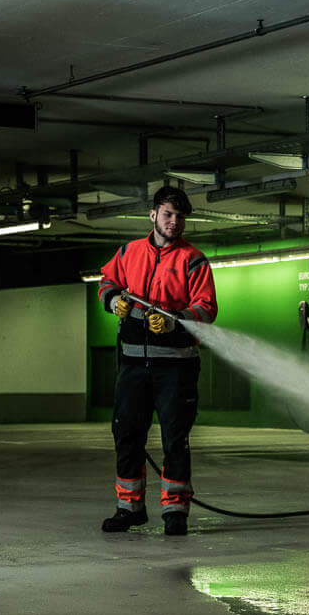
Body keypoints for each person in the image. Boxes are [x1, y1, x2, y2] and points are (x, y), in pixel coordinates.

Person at [96, 186, 217, 536]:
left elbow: (206, 309)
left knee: (174, 440)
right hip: (133, 365)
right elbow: (106, 282)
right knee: (126, 433)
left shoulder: (193, 259)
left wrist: (175, 318)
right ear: (152, 215)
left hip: (176, 368)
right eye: (168, 214)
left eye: (180, 217)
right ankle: (128, 509)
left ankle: (175, 512)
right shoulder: (129, 252)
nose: (174, 222)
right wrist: (113, 300)